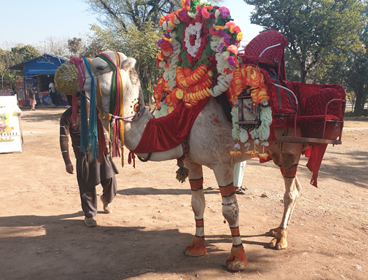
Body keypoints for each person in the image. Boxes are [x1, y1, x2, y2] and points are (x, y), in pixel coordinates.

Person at [59, 91, 119, 227]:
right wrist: (67, 161)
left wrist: (106, 142)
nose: (80, 100)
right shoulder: (66, 116)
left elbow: (103, 125)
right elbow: (63, 139)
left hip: (100, 150)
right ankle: (89, 215)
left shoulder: (94, 109)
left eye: (82, 97)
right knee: (87, 186)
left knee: (110, 180)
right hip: (83, 155)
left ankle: (106, 199)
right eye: (76, 98)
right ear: (71, 100)